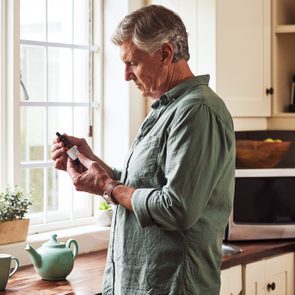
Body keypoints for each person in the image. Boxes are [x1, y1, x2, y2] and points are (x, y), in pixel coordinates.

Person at [51, 5, 235, 295]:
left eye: (132, 63)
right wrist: (92, 163)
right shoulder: (165, 109)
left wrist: (109, 187)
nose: (126, 75)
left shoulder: (197, 111)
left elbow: (177, 208)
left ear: (165, 53)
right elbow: (143, 185)